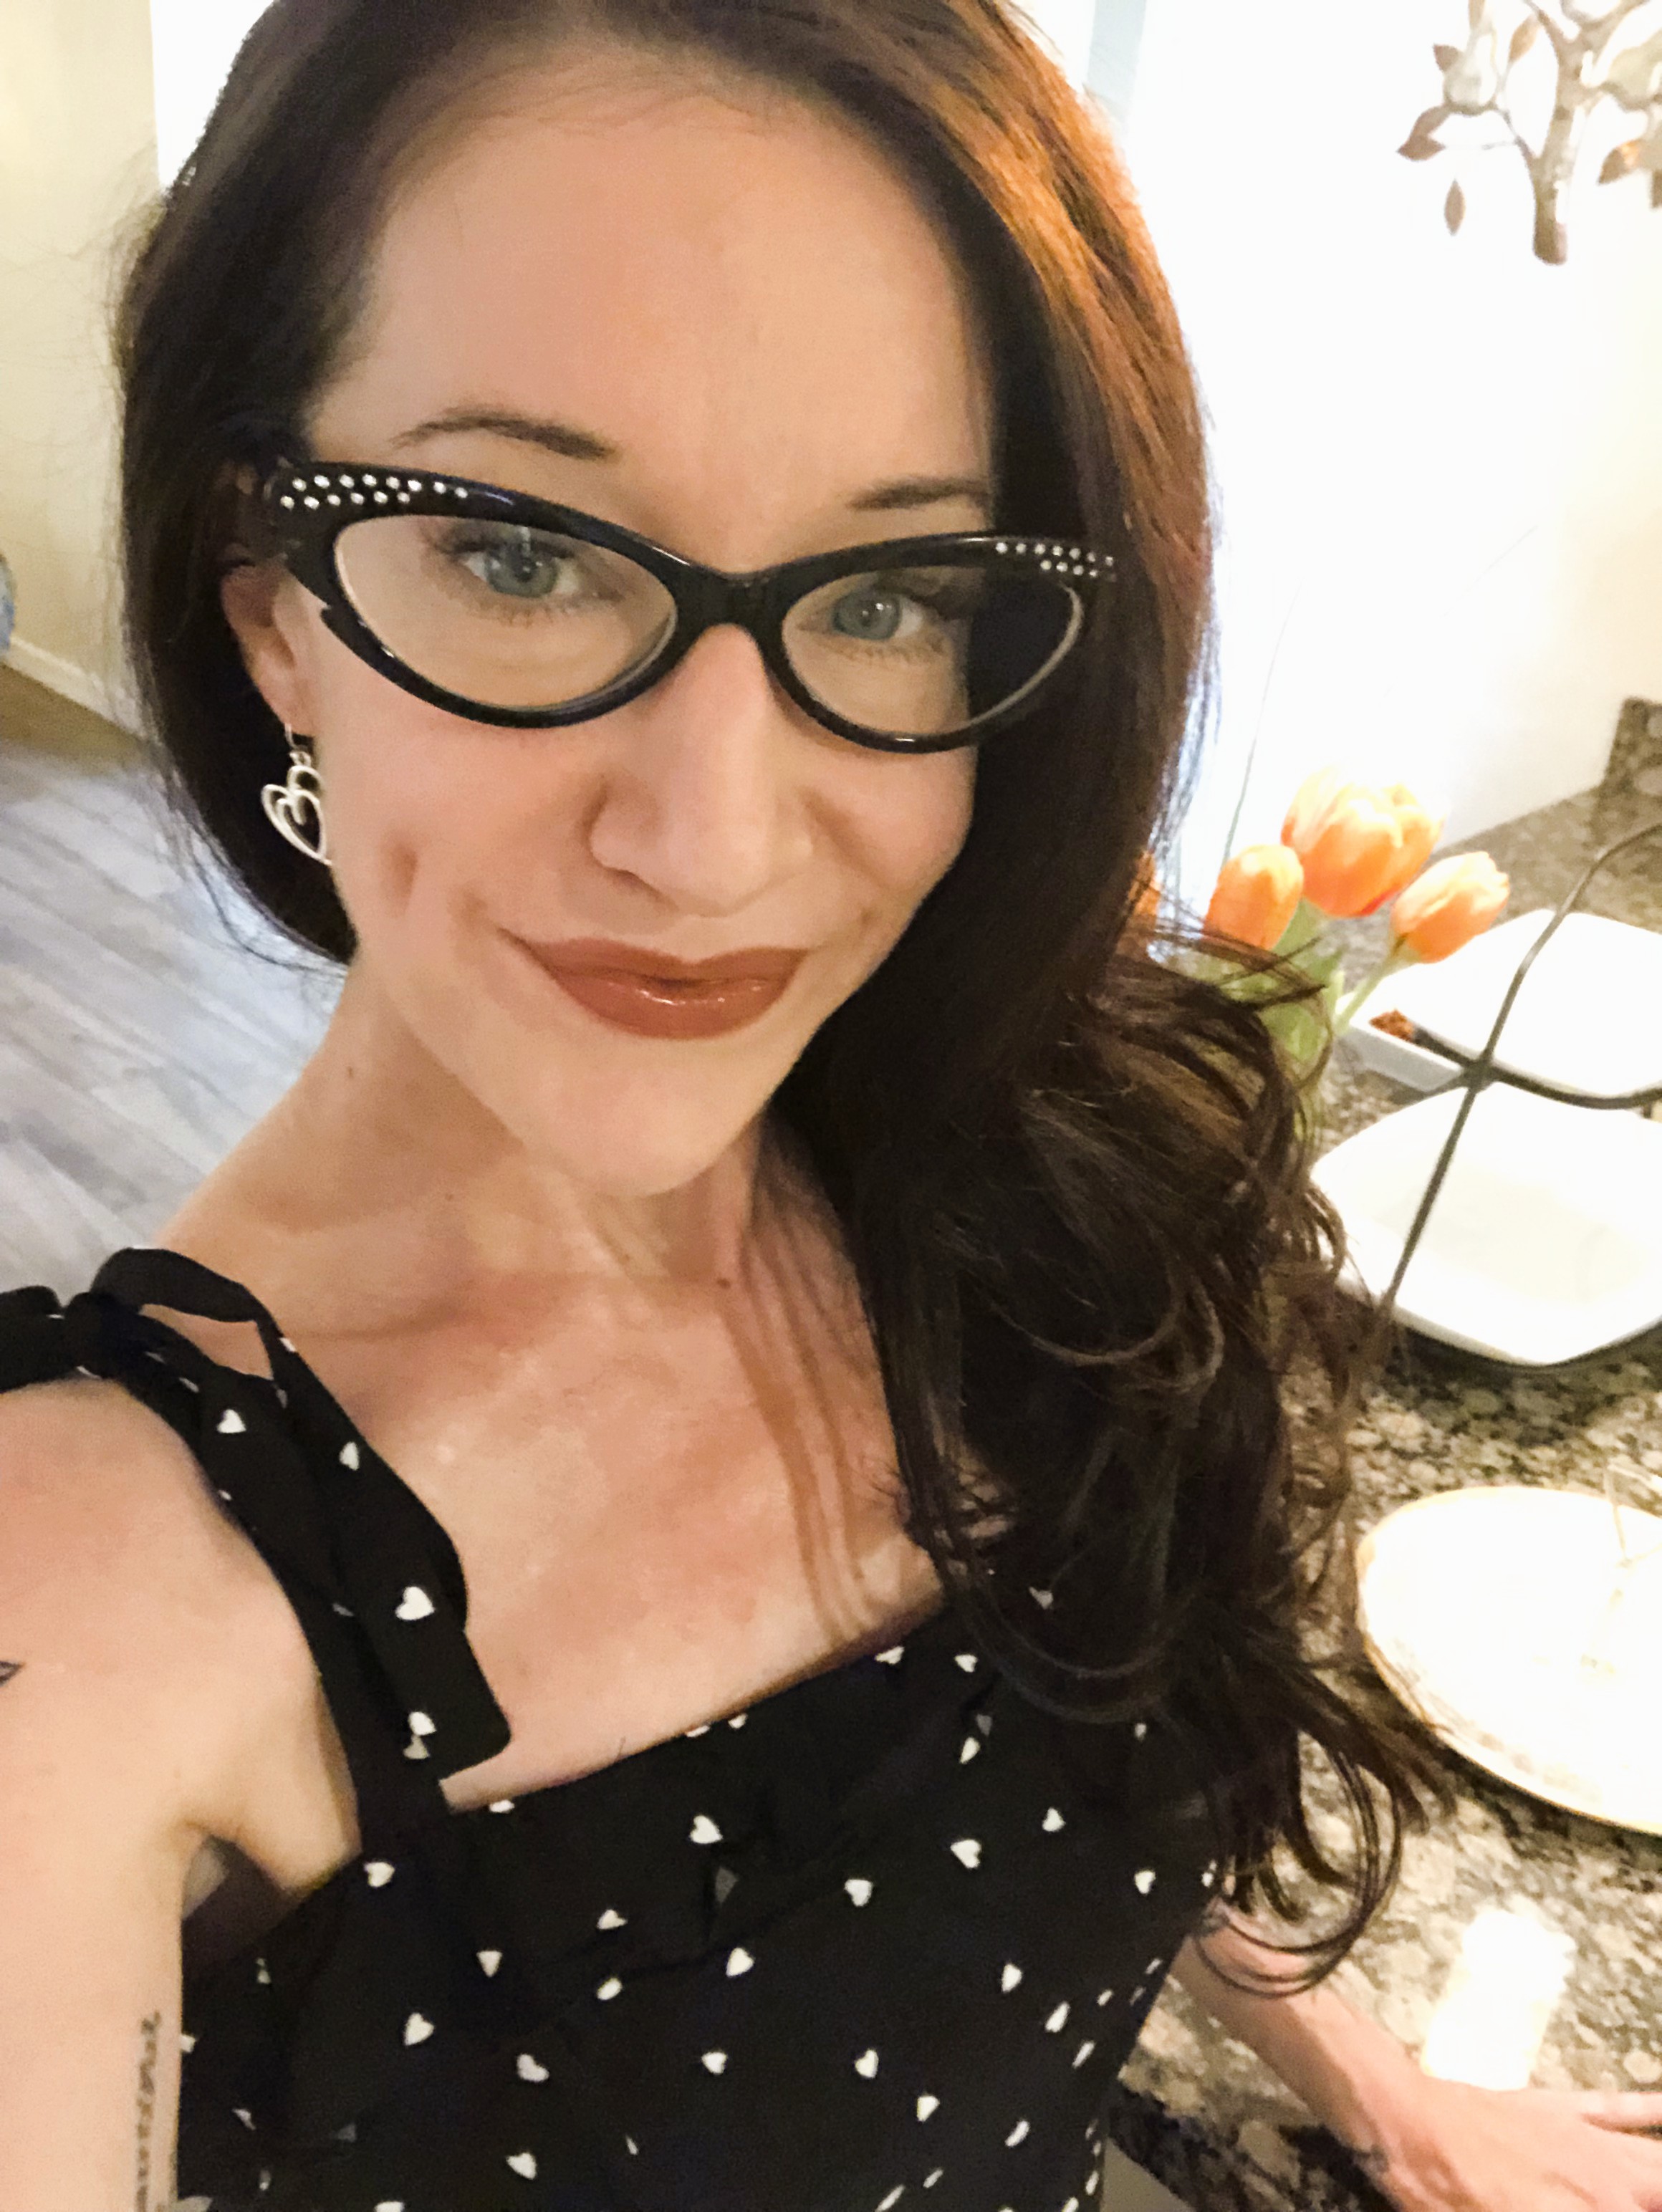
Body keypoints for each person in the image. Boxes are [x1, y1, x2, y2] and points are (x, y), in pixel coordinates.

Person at [1, 2, 1658, 2207]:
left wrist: (1372, 2081)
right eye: (519, 553)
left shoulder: (1021, 1175)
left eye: (889, 596)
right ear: (270, 603)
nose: (713, 843)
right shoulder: (83, 1615)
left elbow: (1100, 1724)